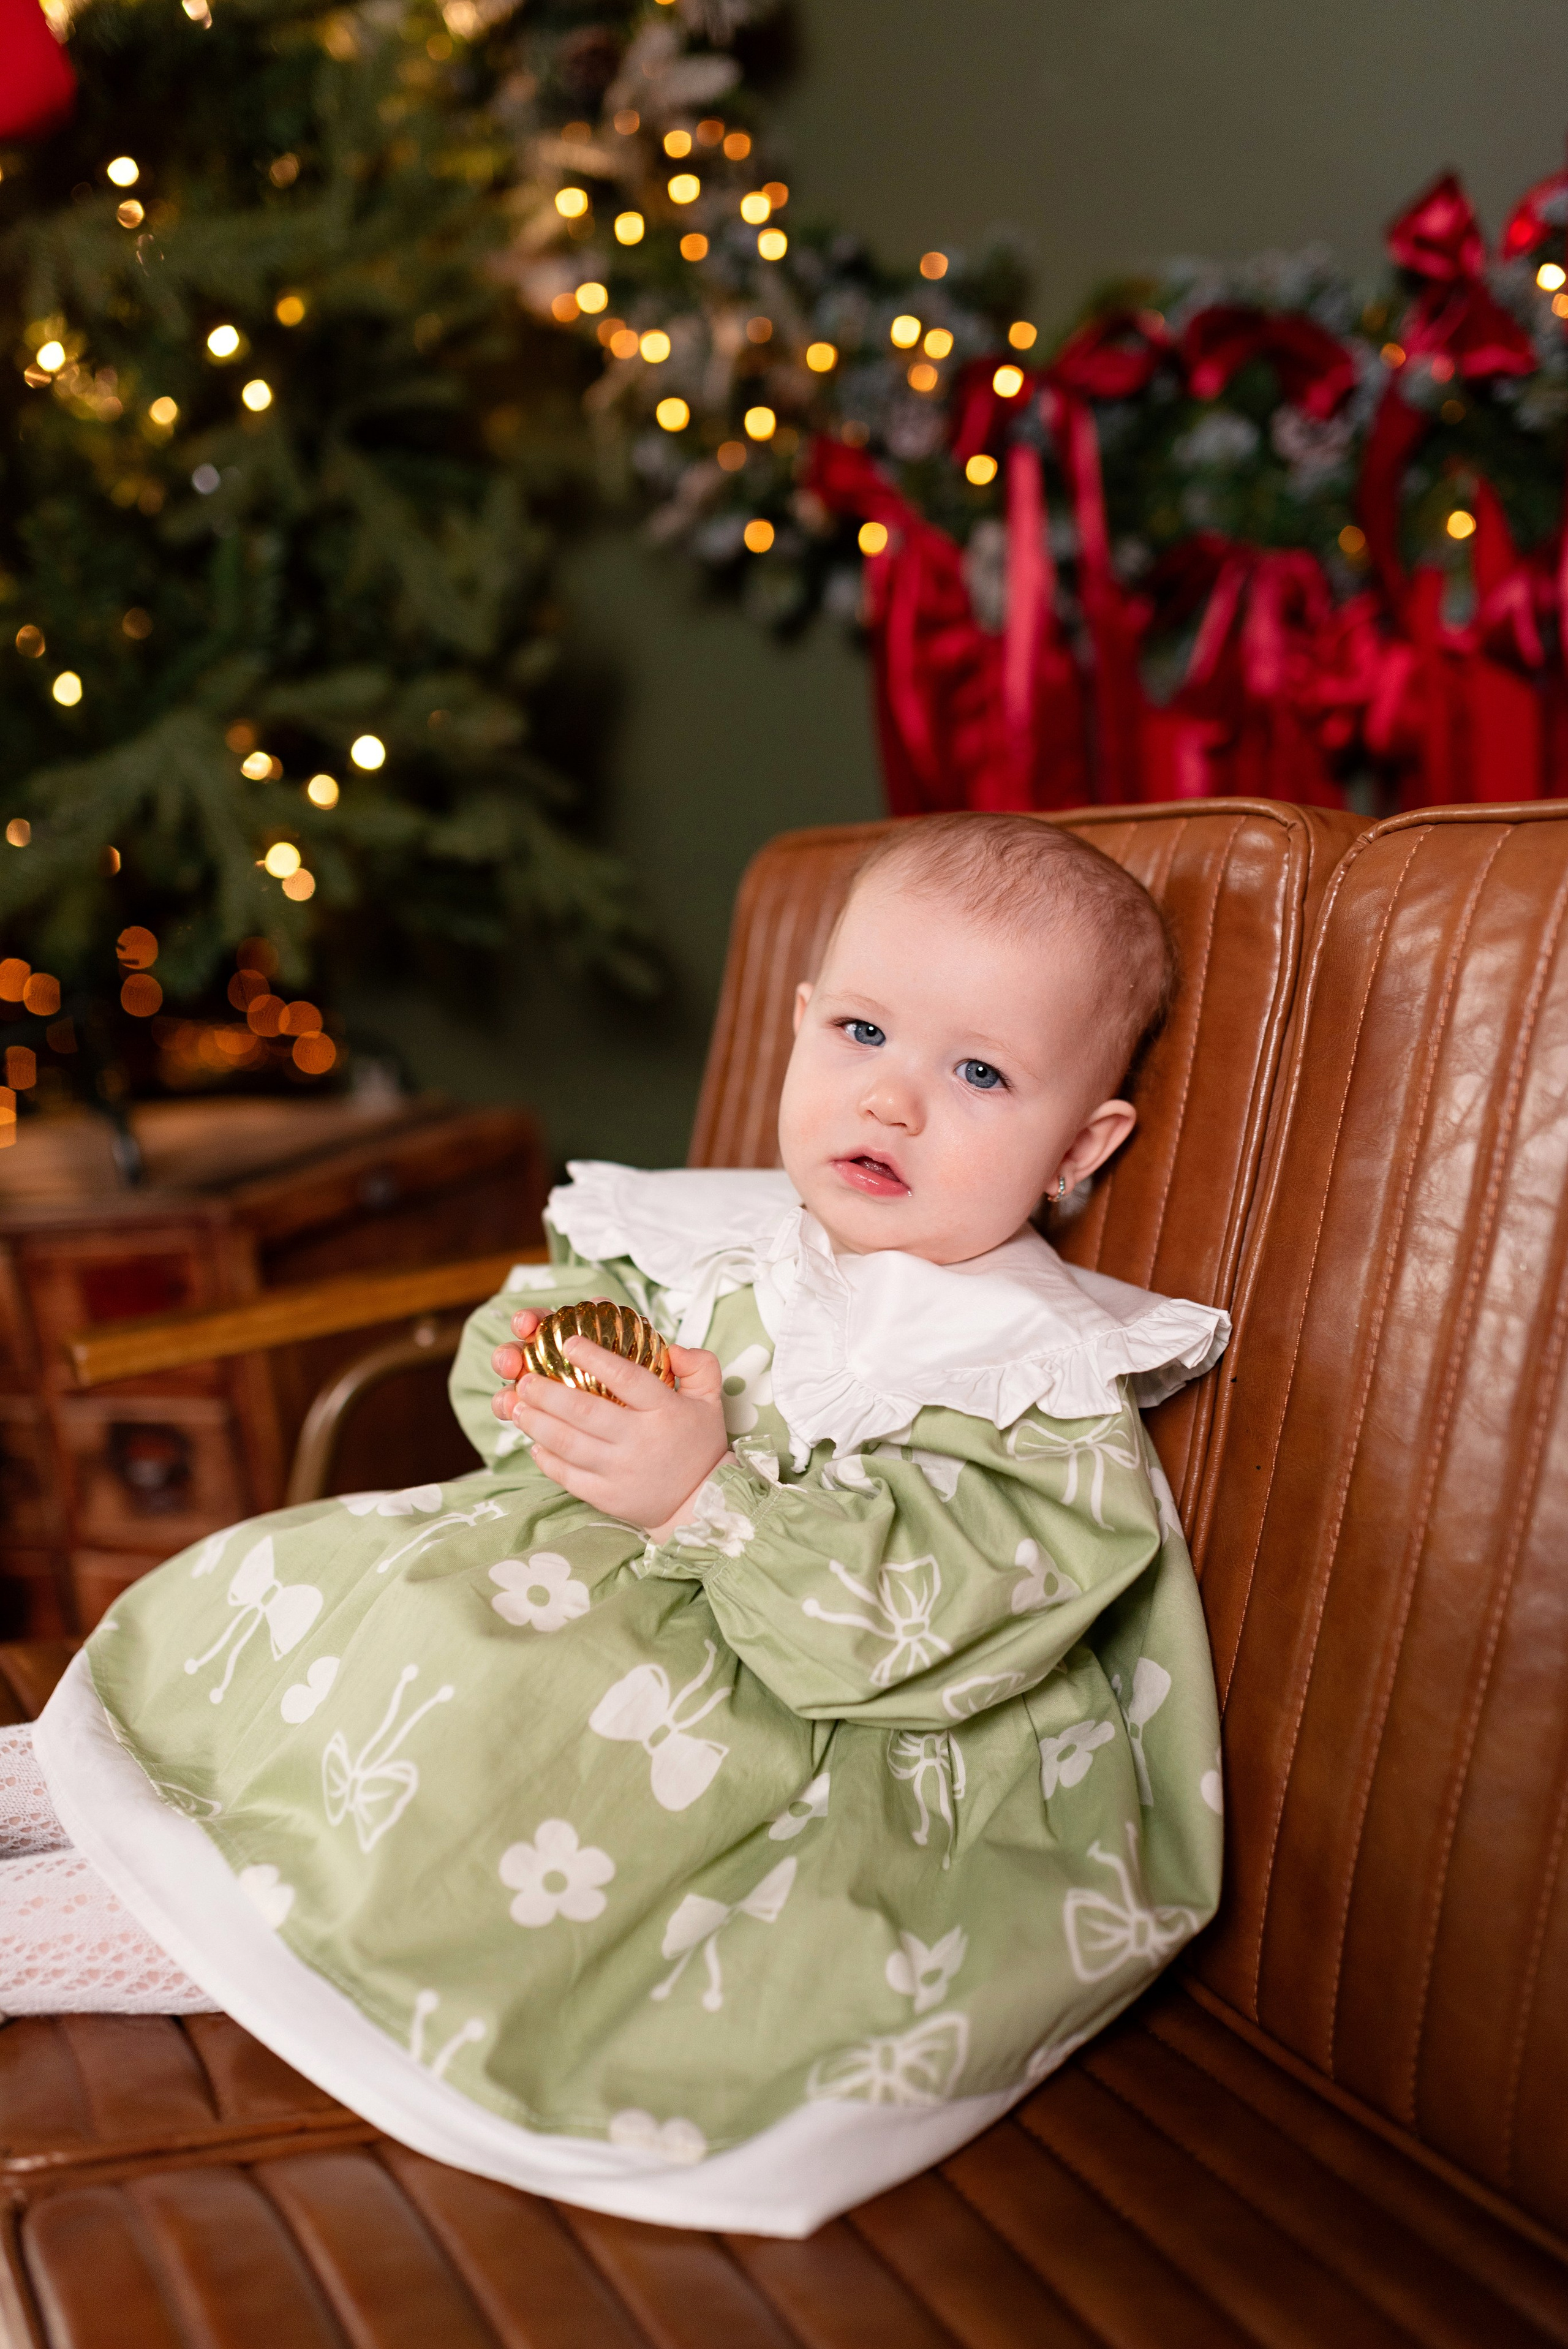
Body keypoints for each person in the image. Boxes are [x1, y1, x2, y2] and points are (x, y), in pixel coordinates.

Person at [4, 812, 1227, 2237]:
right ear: (797, 1025)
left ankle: (77, 1928)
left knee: (452, 1798)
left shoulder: (1031, 1378)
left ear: (1080, 1141)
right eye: (859, 1033)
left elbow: (916, 1635)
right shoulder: (709, 1235)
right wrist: (568, 1378)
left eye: (974, 1072)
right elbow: (503, 1359)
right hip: (532, 1615)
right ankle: (50, 1790)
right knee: (363, 1640)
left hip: (795, 1741)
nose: (890, 1102)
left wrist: (705, 1496)